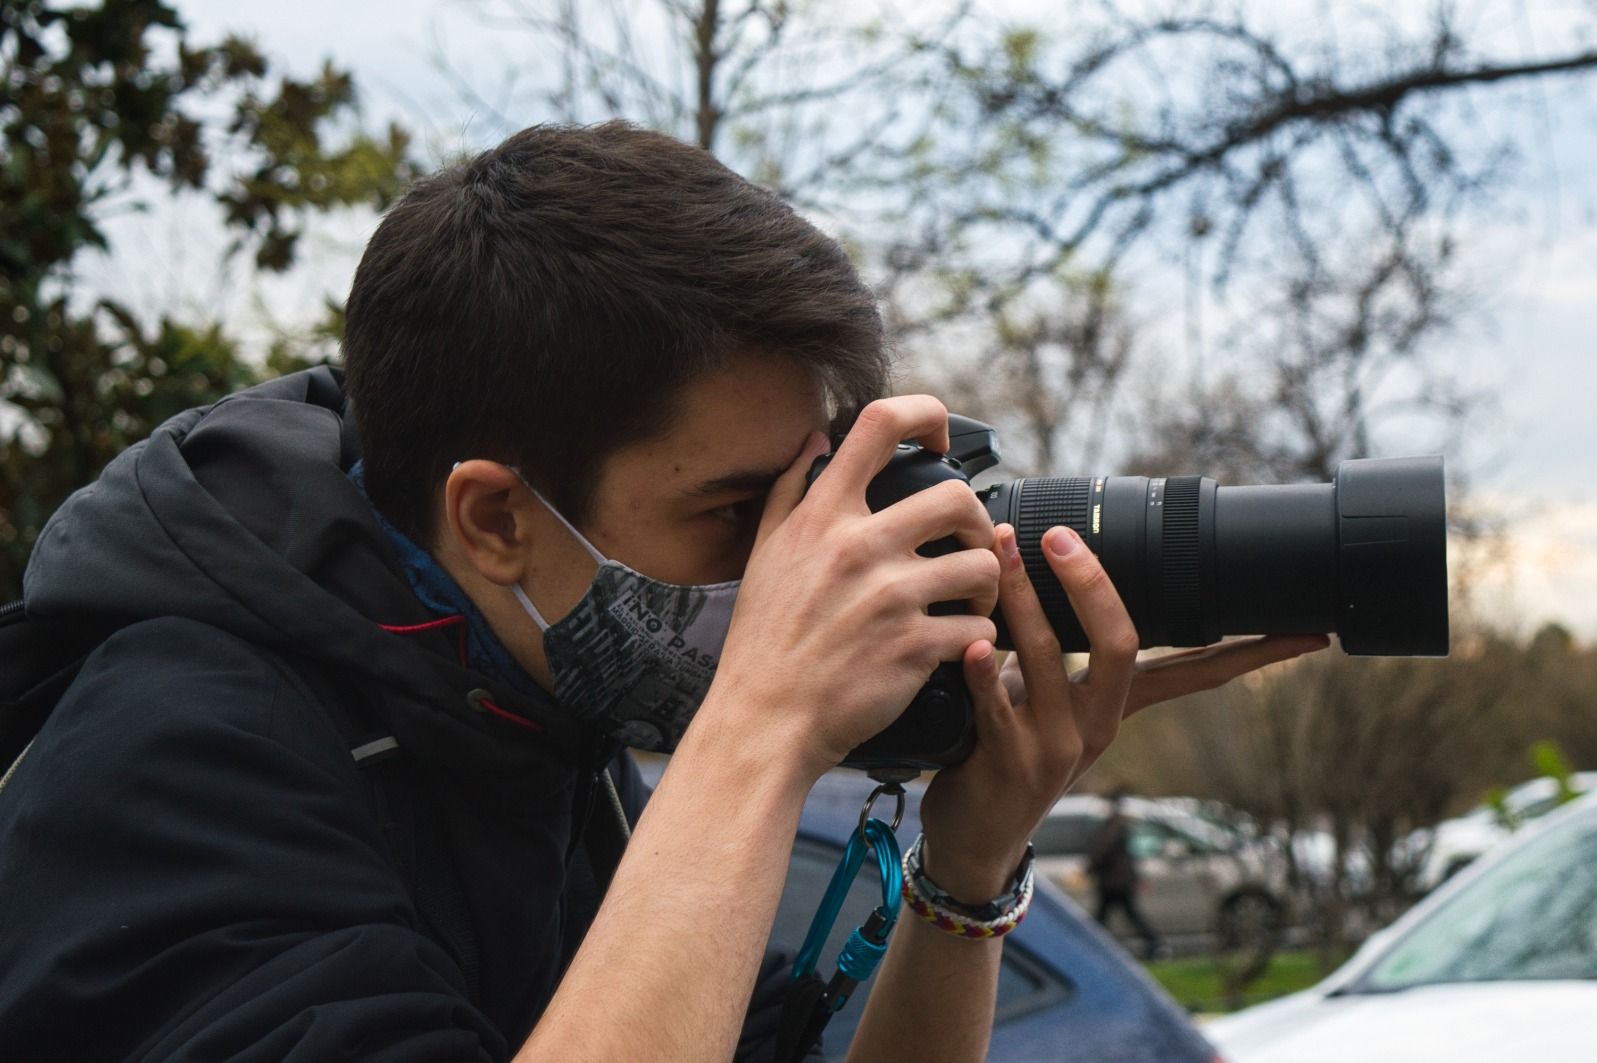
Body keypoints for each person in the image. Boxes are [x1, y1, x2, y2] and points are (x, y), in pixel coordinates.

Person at [0, 121, 1323, 1061]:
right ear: (497, 517)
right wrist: (758, 727)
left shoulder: (529, 725)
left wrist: (967, 866)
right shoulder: (180, 753)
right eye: (743, 512)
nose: (807, 561)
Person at [1088, 788, 1167, 960]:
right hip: (1117, 881)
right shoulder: (1118, 826)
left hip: (1114, 882)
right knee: (1117, 916)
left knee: (1110, 917)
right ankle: (1155, 944)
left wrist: (1089, 868)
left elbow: (1104, 852)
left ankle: (1155, 944)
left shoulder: (1113, 828)